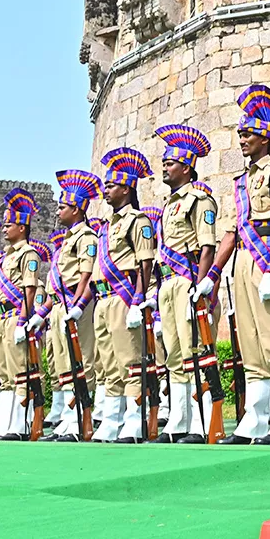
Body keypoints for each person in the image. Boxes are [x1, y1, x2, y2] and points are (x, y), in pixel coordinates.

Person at [198, 84, 270, 446]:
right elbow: (230, 232)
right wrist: (212, 275)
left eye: (248, 134)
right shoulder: (241, 181)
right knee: (250, 341)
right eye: (241, 134)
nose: (242, 140)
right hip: (241, 260)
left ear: (266, 136)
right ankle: (255, 419)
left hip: (266, 256)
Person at [152, 124, 219, 444]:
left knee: (194, 350)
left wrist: (201, 284)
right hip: (167, 282)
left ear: (187, 166)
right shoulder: (168, 204)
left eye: (170, 163)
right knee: (174, 353)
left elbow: (207, 246)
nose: (164, 167)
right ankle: (178, 420)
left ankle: (201, 422)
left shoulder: (199, 199)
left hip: (185, 280)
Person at [94, 147, 159, 443]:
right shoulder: (106, 226)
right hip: (103, 298)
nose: (105, 190)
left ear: (127, 187)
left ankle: (133, 421)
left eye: (111, 185)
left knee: (131, 361)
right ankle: (111, 419)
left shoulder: (138, 221)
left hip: (123, 297)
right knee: (108, 363)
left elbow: (145, 262)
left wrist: (137, 300)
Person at [43, 170, 102, 441]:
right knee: (64, 363)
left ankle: (82, 416)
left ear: (77, 209)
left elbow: (86, 275)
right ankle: (69, 417)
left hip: (75, 304)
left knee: (82, 359)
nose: (58, 211)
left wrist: (77, 305)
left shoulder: (87, 237)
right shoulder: (67, 240)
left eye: (63, 206)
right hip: (59, 306)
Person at [0, 188, 44, 440]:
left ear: (22, 227)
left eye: (8, 224)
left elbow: (29, 289)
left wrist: (23, 320)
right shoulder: (4, 258)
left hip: (14, 316)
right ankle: (4, 422)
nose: (4, 229)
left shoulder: (28, 254)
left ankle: (20, 424)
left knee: (19, 370)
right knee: (3, 373)